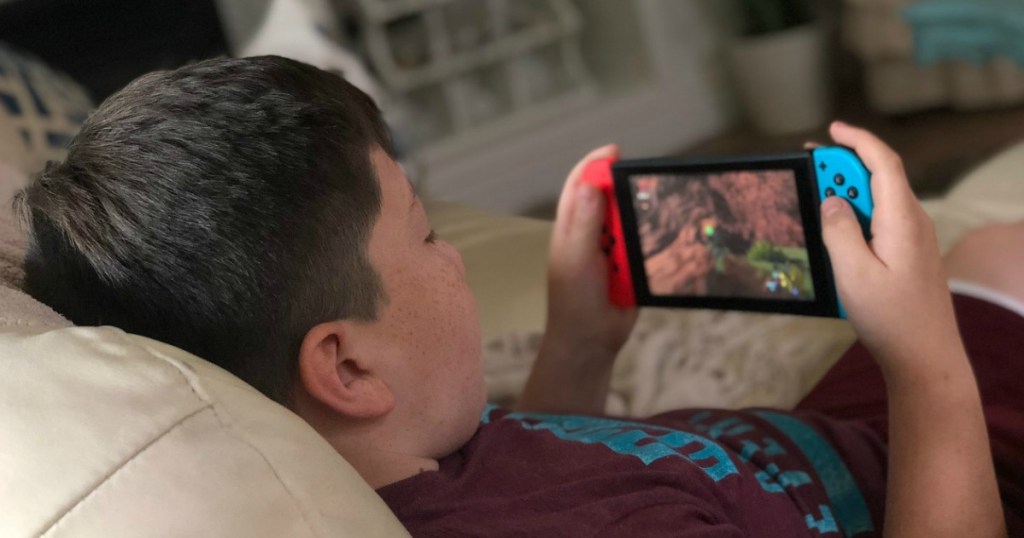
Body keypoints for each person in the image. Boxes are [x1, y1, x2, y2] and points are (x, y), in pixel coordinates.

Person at [15, 56, 1019, 537]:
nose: (453, 259)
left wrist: (580, 345)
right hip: (948, 487)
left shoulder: (413, 451)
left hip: (812, 449)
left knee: (990, 245)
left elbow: (540, 459)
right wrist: (921, 358)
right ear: (348, 365)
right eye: (427, 234)